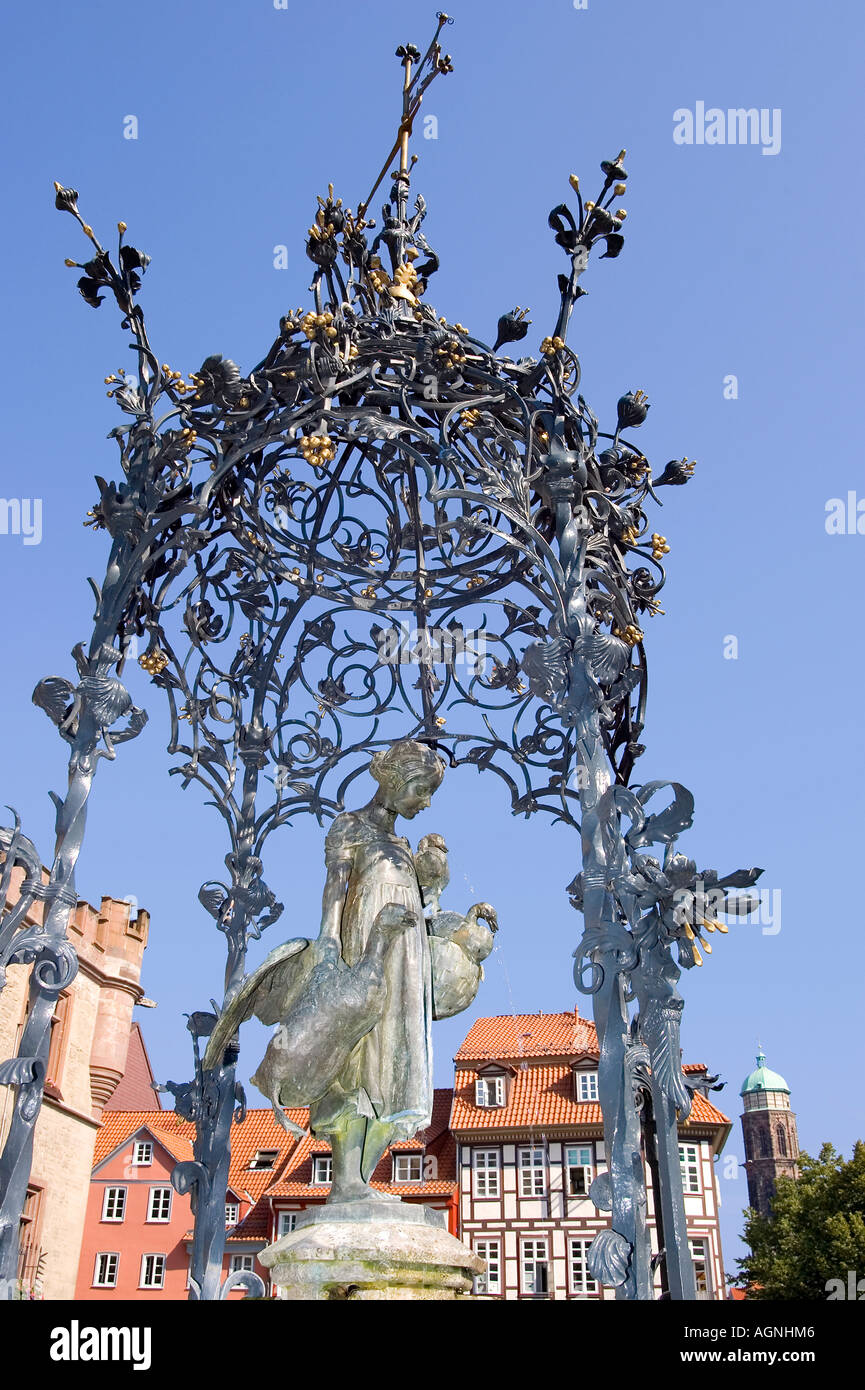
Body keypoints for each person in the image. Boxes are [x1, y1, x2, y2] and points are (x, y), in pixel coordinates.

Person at [312, 738, 445, 1201]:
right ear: (394, 782)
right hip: (365, 943)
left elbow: (425, 906)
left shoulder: (403, 844)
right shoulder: (351, 827)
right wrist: (328, 947)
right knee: (360, 1055)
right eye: (420, 790)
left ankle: (359, 1182)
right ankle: (344, 1179)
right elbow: (334, 894)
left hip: (407, 956)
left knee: (398, 1058)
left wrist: (431, 883)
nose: (425, 803)